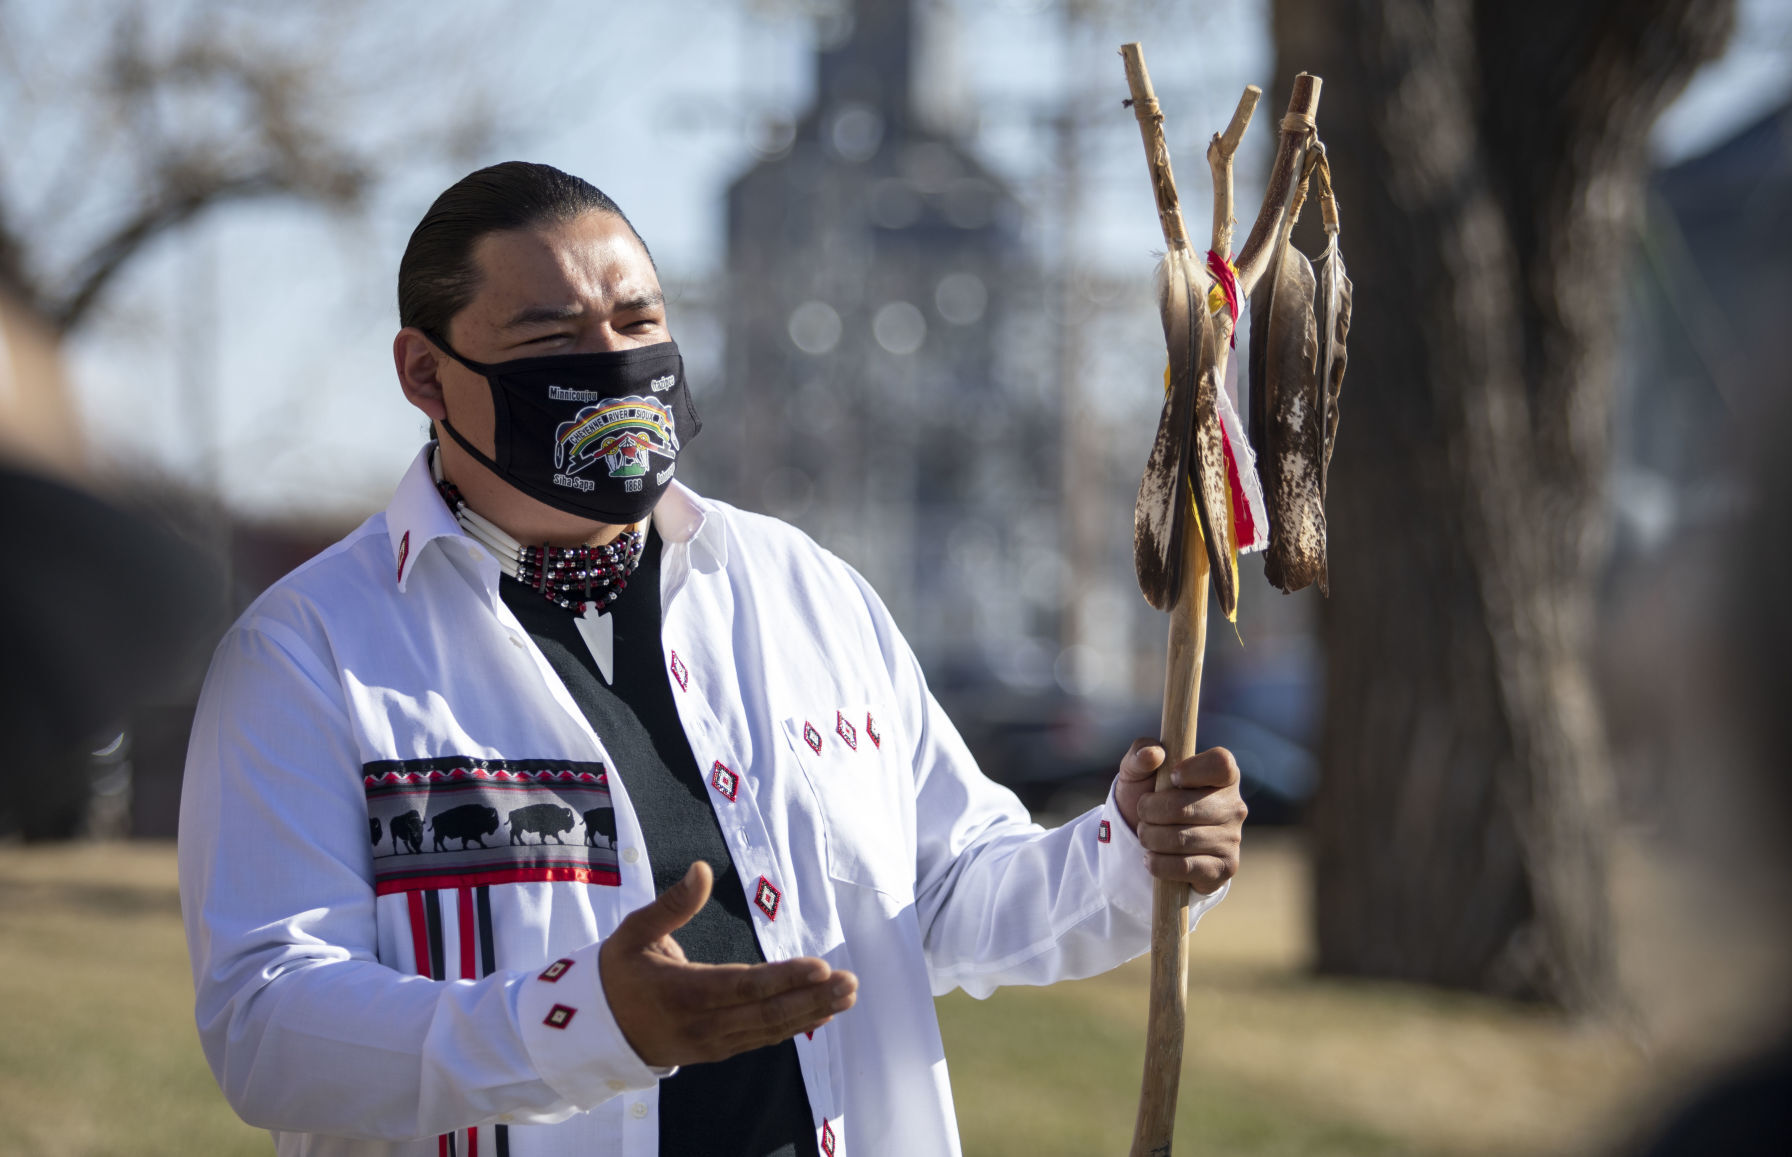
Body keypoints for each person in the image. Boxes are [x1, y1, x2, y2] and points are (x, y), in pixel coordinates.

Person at [178, 161, 1247, 1157]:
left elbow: (954, 893)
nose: (610, 359)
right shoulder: (310, 653)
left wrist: (1131, 854)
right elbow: (270, 1027)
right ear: (425, 372)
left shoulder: (801, 591)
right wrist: (582, 1019)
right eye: (551, 334)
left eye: (637, 317)